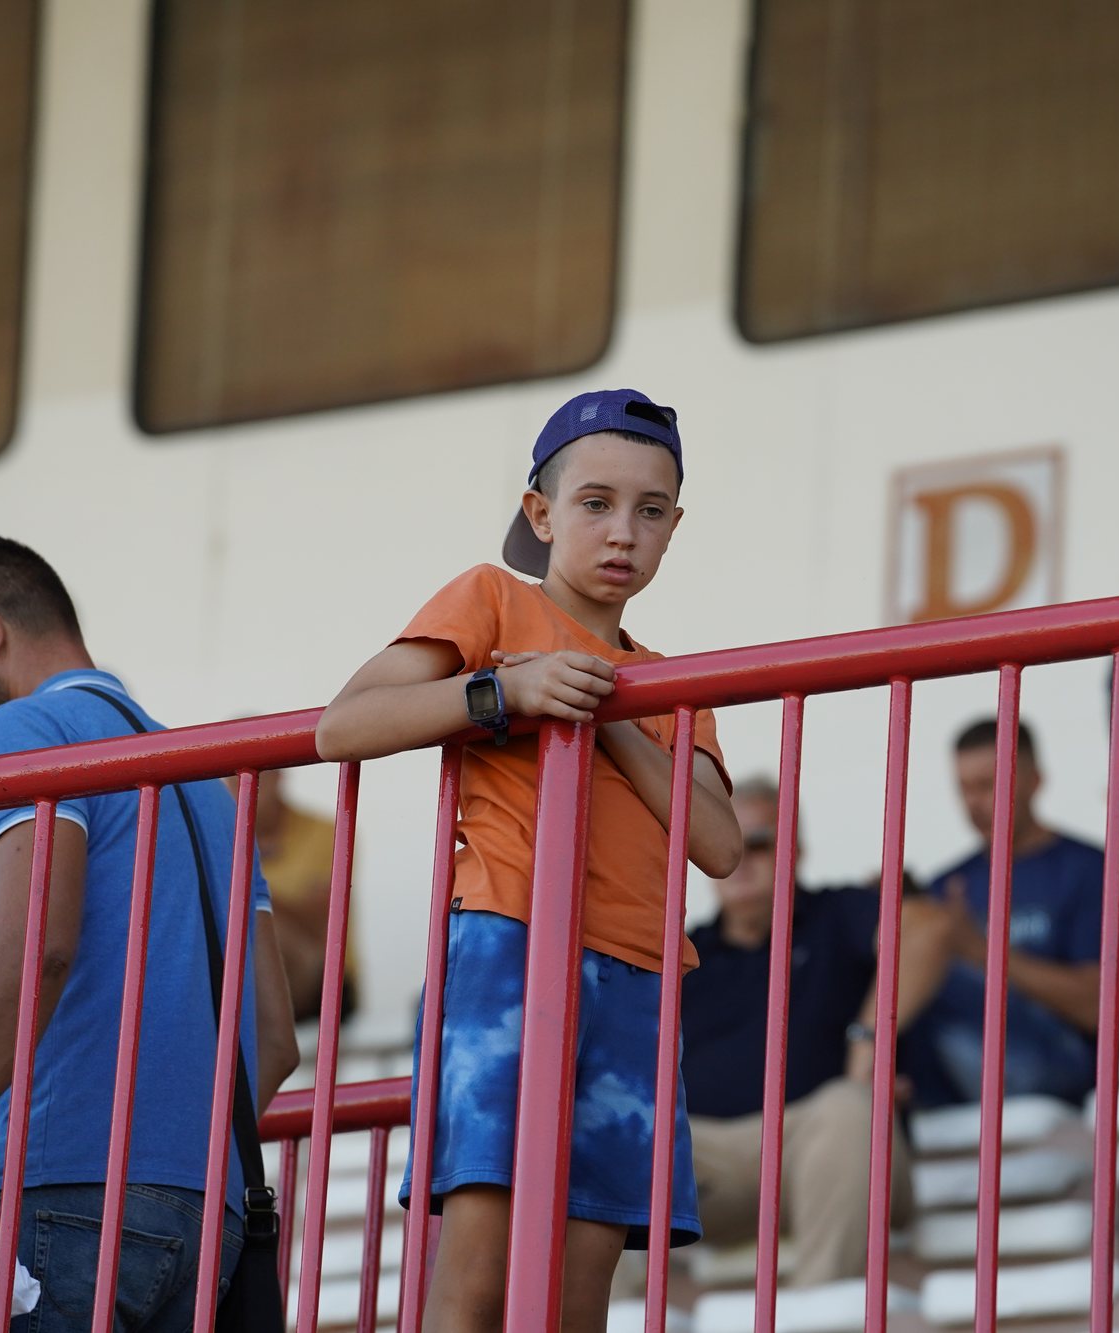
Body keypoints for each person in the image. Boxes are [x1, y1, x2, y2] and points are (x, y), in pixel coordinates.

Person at [315, 389, 742, 1333]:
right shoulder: (494, 598)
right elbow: (344, 724)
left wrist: (611, 715)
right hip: (509, 942)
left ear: (674, 529)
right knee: (478, 1267)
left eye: (651, 510)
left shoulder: (673, 682)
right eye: (595, 503)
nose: (623, 531)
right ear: (540, 513)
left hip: (640, 972)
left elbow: (719, 844)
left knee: (578, 1296)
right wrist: (504, 691)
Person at [0, 535, 299, 1331]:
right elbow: (274, 1041)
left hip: (58, 1195)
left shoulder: (23, 729)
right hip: (206, 1219)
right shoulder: (211, 785)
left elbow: (35, 945)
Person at [674, 778, 927, 1287]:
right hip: (711, 1166)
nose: (738, 858)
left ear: (796, 851)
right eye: (719, 840)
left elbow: (928, 929)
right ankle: (609, 1317)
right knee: (605, 1139)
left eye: (757, 843)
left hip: (826, 1148)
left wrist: (868, 1036)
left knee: (850, 1108)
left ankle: (815, 1312)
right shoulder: (683, 953)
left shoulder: (837, 914)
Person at [899, 719, 1105, 1110]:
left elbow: (1096, 1006)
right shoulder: (948, 884)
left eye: (988, 784)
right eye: (964, 788)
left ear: (1035, 780)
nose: (974, 802)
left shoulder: (1087, 869)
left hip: (1057, 1063)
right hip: (952, 1071)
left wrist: (978, 949)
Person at [226, 766, 357, 1022]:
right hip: (262, 982)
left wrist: (248, 891)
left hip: (326, 984)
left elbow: (321, 920)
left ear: (279, 776)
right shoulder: (224, 836)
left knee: (260, 925)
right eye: (233, 779)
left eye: (255, 776)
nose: (243, 788)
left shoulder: (326, 831)